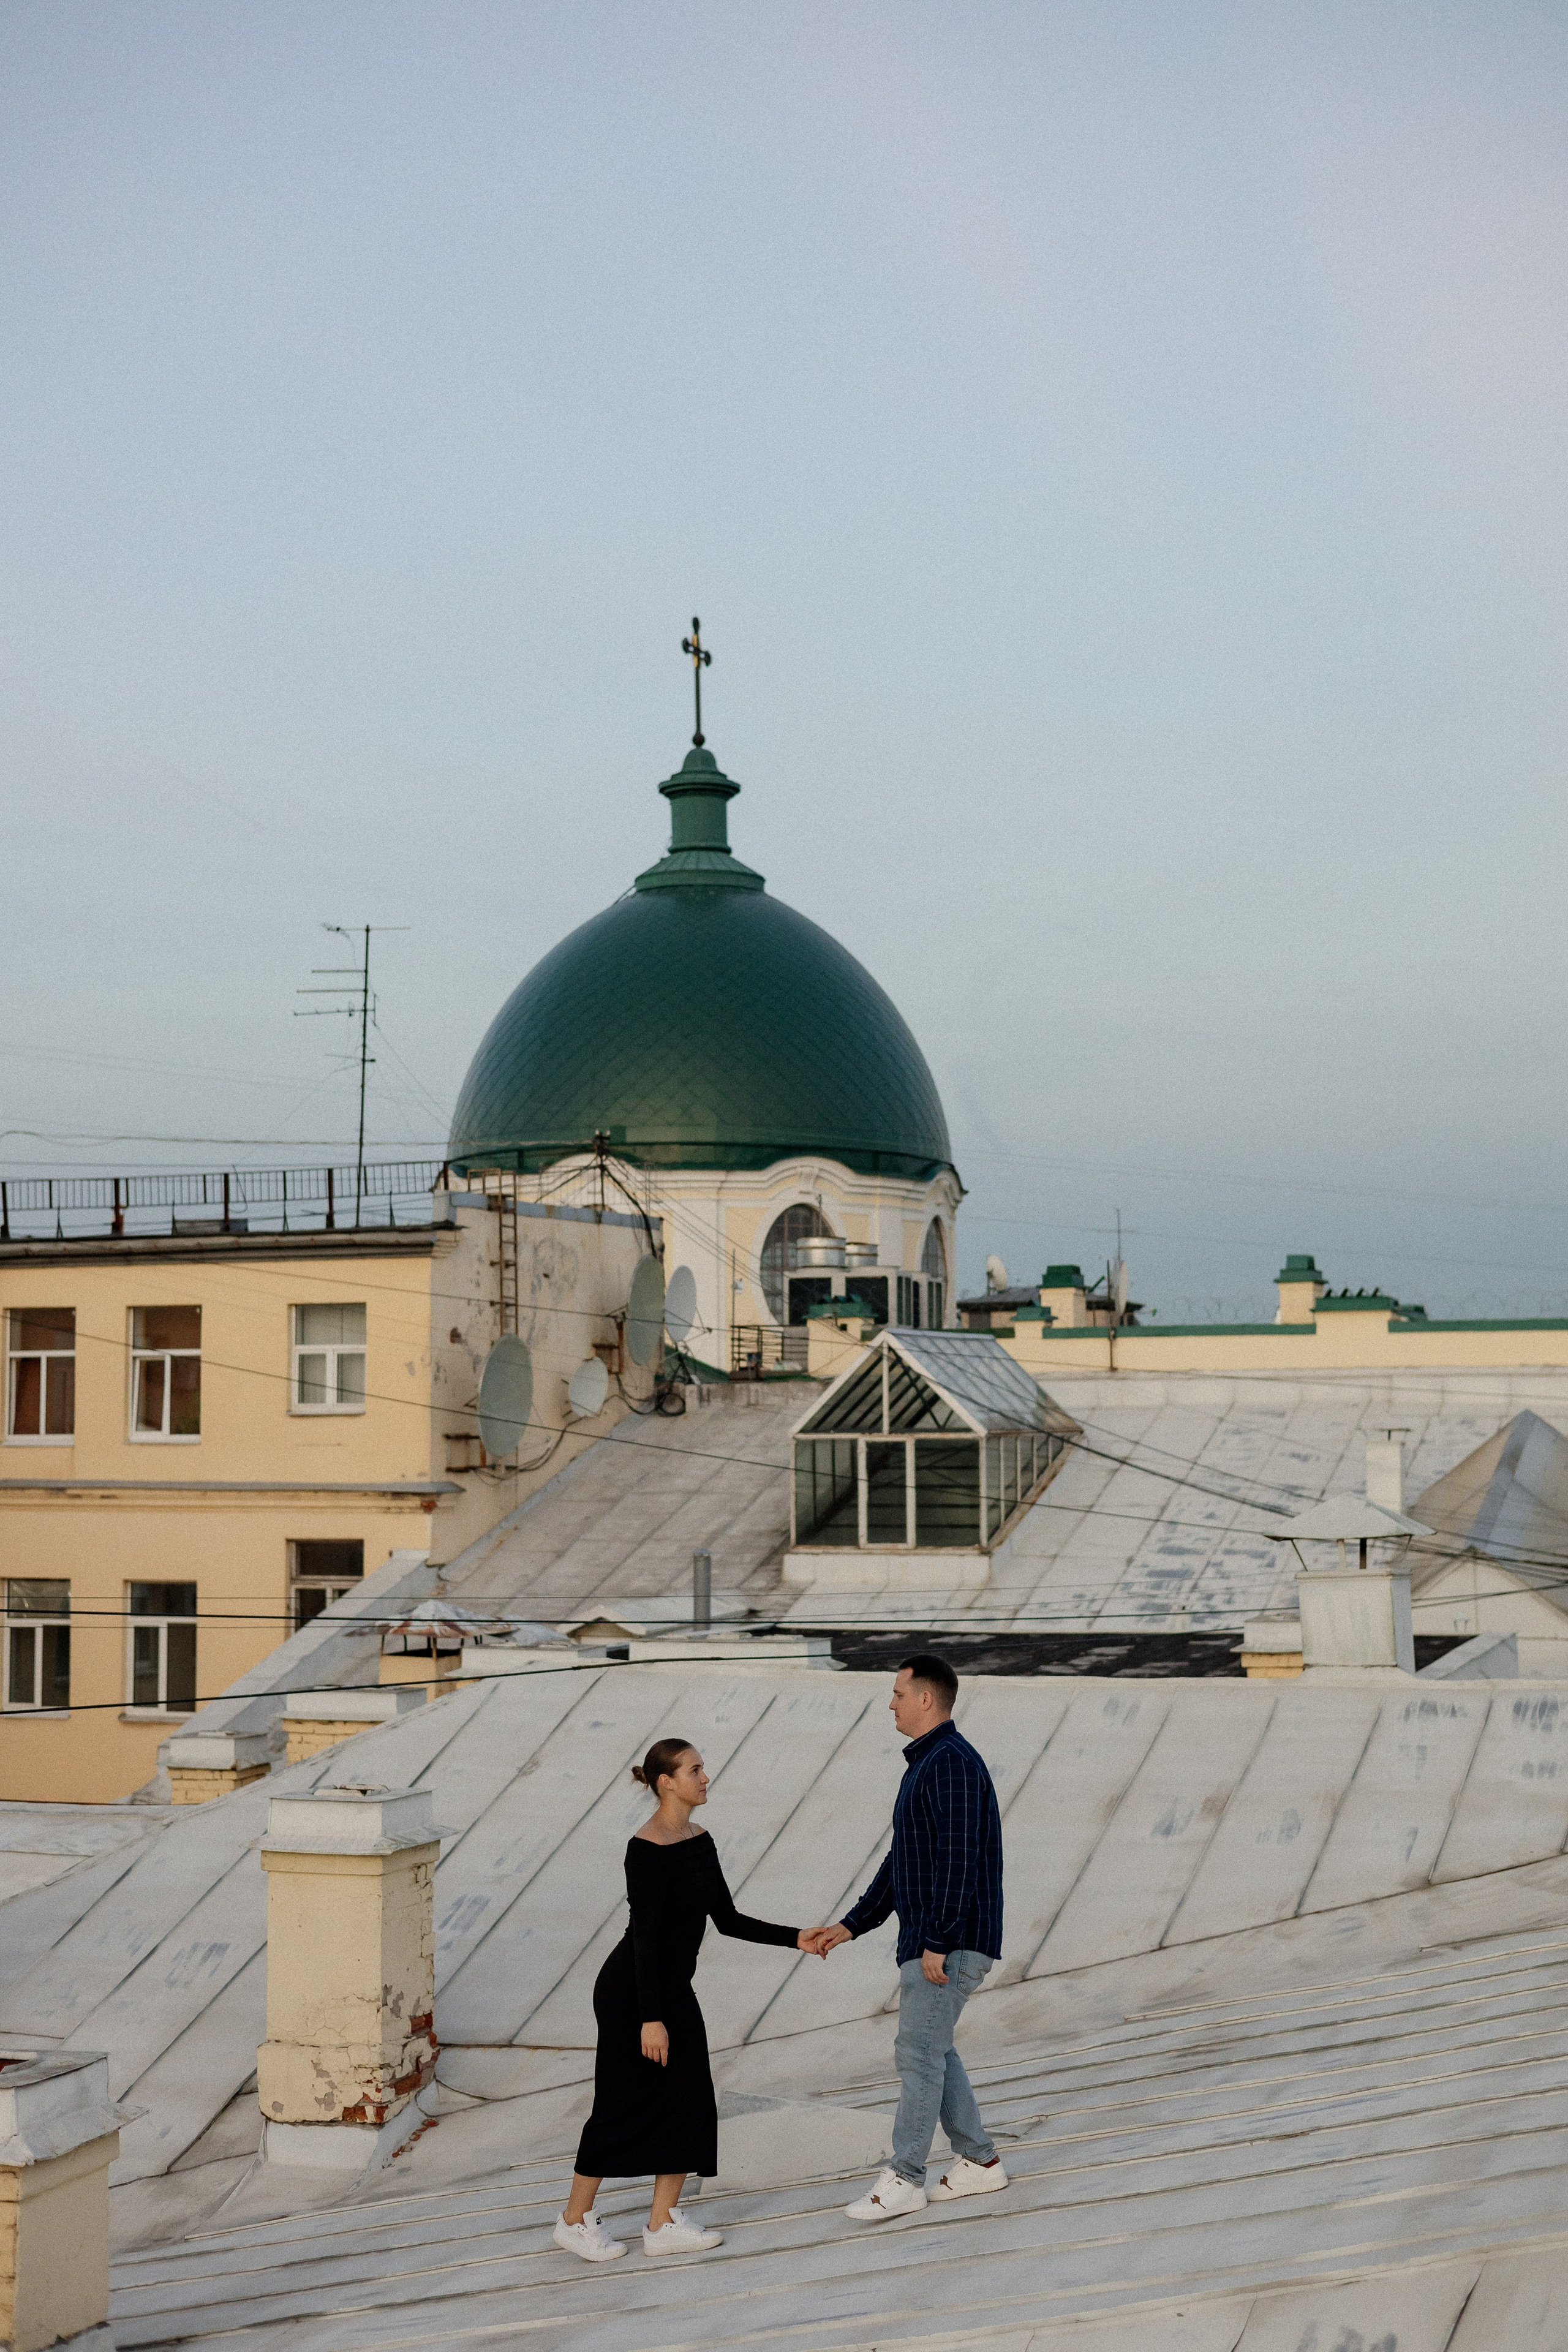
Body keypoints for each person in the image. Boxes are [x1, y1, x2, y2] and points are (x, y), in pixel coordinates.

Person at [555, 1735, 819, 2263]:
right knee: (620, 2101)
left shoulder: (699, 1838)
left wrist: (797, 1937)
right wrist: (650, 2019)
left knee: (690, 2095)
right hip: (632, 1991)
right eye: (695, 1770)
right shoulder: (646, 1849)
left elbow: (728, 1919)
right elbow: (646, 1938)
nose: (705, 1778)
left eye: (704, 1769)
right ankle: (573, 2220)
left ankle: (662, 2221)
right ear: (665, 1782)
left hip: (670, 1988)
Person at [804, 1653, 1006, 2222]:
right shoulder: (928, 1764)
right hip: (934, 1937)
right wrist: (851, 1925)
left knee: (917, 2053)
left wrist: (938, 1940)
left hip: (948, 1940)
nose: (889, 1703)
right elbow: (905, 1862)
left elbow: (959, 1861)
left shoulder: (951, 1764)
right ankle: (980, 2163)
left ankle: (905, 2176)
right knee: (932, 2048)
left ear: (926, 1699)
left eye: (897, 1693)